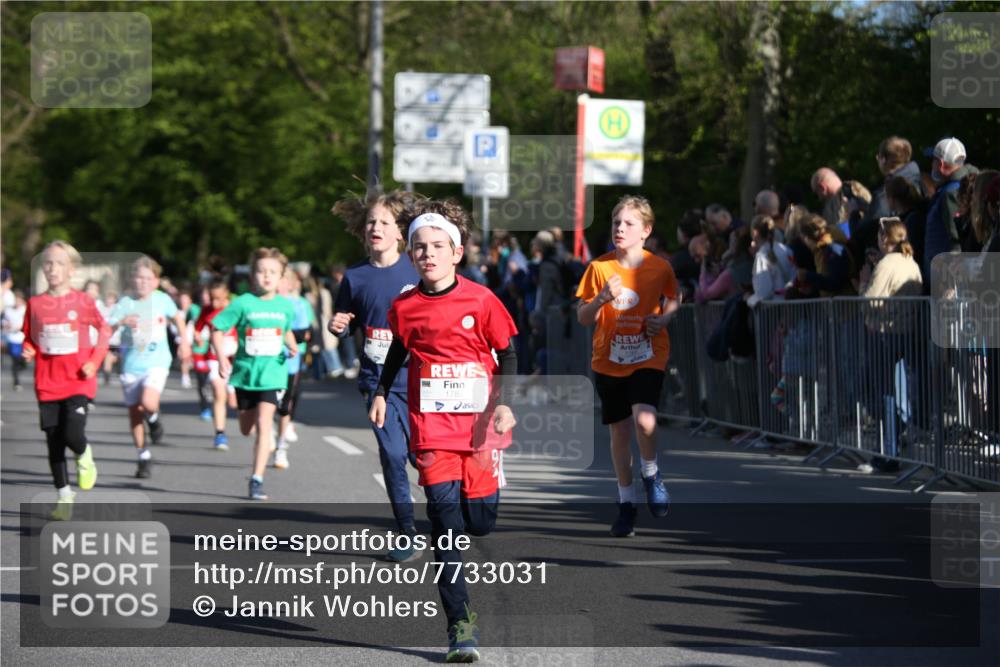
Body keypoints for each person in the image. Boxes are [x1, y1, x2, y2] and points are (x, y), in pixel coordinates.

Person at [370, 200, 518, 663]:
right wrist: (380, 392)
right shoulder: (405, 306)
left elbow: (507, 354)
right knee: (447, 532)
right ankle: (461, 630)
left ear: (456, 253)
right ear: (411, 255)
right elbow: (398, 351)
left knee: (480, 524)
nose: (428, 254)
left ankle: (491, 486)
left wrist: (507, 403)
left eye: (438, 246)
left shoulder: (481, 300)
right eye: (420, 247)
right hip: (432, 431)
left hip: (478, 431)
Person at [576, 195, 679, 537]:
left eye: (628, 223)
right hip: (608, 359)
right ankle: (626, 504)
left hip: (648, 353)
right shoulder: (599, 268)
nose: (620, 229)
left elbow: (675, 298)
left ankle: (651, 472)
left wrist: (663, 320)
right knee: (620, 433)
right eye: (616, 223)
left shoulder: (660, 267)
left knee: (646, 420)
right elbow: (582, 317)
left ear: (646, 230)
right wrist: (602, 298)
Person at [331, 189, 423, 562]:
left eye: (385, 222)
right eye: (371, 221)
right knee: (392, 453)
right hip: (378, 384)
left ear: (400, 232)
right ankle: (407, 531)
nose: (376, 227)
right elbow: (342, 321)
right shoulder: (354, 277)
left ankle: (451, 507)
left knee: (424, 457)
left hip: (420, 381)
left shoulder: (417, 270)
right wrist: (337, 325)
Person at [21, 241, 110, 520]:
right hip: (47, 383)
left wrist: (94, 362)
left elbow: (105, 331)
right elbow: (30, 337)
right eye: (48, 263)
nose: (52, 268)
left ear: (71, 269)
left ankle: (84, 454)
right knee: (54, 442)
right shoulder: (35, 304)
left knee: (72, 432)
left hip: (77, 381)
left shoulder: (83, 302)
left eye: (59, 263)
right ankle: (64, 497)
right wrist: (29, 349)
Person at [211, 248, 297, 500]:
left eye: (272, 272)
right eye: (261, 271)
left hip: (273, 374)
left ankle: (256, 479)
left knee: (263, 422)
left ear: (281, 277)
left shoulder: (285, 306)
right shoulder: (242, 303)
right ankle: (259, 434)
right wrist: (220, 358)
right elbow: (216, 328)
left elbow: (286, 329)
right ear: (252, 275)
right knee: (246, 428)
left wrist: (291, 344)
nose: (266, 276)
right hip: (246, 375)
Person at [109, 257, 191, 479]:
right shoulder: (125, 302)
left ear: (156, 281)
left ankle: (154, 420)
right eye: (139, 277)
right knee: (135, 414)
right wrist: (121, 322)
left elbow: (177, 319)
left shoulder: (162, 300)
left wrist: (184, 342)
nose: (143, 282)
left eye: (148, 278)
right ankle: (143, 455)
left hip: (157, 361)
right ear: (132, 279)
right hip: (131, 365)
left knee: (148, 402)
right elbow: (107, 327)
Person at [274, 268, 314, 468]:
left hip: (289, 363)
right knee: (265, 407)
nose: (278, 284)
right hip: (264, 365)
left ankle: (281, 448)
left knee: (285, 406)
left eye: (282, 281)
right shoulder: (260, 304)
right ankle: (269, 437)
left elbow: (304, 333)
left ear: (289, 284)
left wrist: (281, 334)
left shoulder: (297, 305)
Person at [924, 137, 979, 278]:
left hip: (946, 277)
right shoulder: (963, 187)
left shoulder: (951, 193)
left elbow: (956, 240)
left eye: (934, 160)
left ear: (941, 164)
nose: (932, 164)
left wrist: (954, 280)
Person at [193, 280, 238, 450]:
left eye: (218, 299)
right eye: (212, 299)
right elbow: (198, 328)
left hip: (235, 358)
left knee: (234, 403)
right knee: (219, 394)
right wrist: (198, 336)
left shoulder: (235, 308)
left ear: (226, 295)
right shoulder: (207, 310)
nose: (214, 303)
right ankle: (220, 433)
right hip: (214, 357)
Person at [747, 215, 795, 307]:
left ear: (755, 233)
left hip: (774, 310)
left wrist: (749, 298)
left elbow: (764, 292)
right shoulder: (786, 250)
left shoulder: (762, 256)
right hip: (792, 306)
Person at [2, 288, 27, 390]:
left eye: (19, 300)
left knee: (23, 363)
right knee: (15, 360)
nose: (17, 302)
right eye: (15, 300)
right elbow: (3, 322)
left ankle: (18, 371)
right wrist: (5, 325)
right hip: (12, 339)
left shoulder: (25, 309)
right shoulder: (8, 311)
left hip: (22, 339)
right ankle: (16, 382)